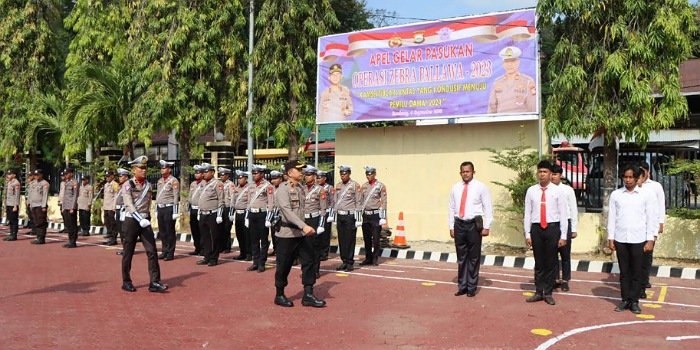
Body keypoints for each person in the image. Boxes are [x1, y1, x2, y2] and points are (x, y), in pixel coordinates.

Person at [273, 159, 326, 308]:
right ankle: (279, 294)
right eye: (299, 170)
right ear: (290, 173)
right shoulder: (282, 190)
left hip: (302, 234)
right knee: (284, 265)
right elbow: (287, 211)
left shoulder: (301, 188)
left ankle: (308, 294)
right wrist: (304, 227)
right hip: (287, 233)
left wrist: (305, 227)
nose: (302, 172)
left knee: (309, 262)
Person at [608, 163, 657, 314]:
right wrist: (611, 238)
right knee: (624, 272)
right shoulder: (616, 195)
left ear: (637, 179)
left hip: (639, 239)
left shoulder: (646, 195)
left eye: (631, 177)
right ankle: (625, 300)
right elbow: (612, 217)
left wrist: (650, 240)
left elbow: (651, 218)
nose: (628, 180)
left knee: (637, 271)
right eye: (625, 177)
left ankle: (634, 301)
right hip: (621, 238)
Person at [523, 160, 568, 305]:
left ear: (550, 174)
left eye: (545, 172)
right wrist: (527, 234)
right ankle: (538, 291)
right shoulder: (531, 191)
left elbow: (563, 214)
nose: (542, 174)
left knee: (551, 261)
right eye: (540, 172)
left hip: (552, 228)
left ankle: (548, 292)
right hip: (537, 228)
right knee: (539, 261)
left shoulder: (558, 191)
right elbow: (527, 214)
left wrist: (563, 235)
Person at [120, 156, 167, 293]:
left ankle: (155, 281)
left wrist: (147, 218)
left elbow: (148, 204)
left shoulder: (148, 185)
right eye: (141, 168)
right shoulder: (128, 185)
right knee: (128, 252)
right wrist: (139, 219)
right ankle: (126, 281)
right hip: (132, 221)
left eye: (145, 168)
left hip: (145, 221)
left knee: (152, 251)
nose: (144, 170)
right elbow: (128, 204)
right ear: (134, 169)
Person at [448, 161, 493, 297]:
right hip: (459, 224)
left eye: (468, 171)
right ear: (460, 173)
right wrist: (451, 226)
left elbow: (488, 208)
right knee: (461, 257)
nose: (465, 174)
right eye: (463, 171)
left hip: (474, 225)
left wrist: (487, 226)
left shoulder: (481, 187)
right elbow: (451, 208)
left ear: (473, 172)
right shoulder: (455, 187)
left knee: (473, 257)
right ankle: (462, 286)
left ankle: (472, 287)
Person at [638, 161, 665, 299]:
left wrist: (661, 222)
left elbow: (660, 205)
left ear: (648, 172)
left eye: (643, 172)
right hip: (637, 229)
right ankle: (638, 283)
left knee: (646, 257)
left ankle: (644, 280)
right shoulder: (633, 188)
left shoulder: (655, 186)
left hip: (651, 227)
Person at [551, 165, 578, 292]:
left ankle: (566, 280)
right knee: (552, 253)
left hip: (566, 223)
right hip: (553, 224)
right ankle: (555, 278)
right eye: (551, 174)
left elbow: (573, 209)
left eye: (555, 174)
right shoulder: (547, 190)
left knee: (565, 254)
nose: (552, 177)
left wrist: (574, 228)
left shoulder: (567, 190)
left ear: (560, 175)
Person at [487, 46, 536, 114]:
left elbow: (533, 107)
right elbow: (492, 107)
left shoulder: (528, 81)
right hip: (501, 122)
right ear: (503, 64)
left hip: (521, 122)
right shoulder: (497, 83)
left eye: (512, 61)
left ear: (518, 62)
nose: (509, 64)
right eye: (507, 61)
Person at [245, 164, 275, 272]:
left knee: (263, 240)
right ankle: (255, 262)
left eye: (256, 173)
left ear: (262, 174)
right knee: (254, 240)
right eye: (253, 173)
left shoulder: (268, 186)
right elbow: (248, 202)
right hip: (252, 214)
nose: (254, 175)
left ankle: (262, 263)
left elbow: (271, 203)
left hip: (262, 215)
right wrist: (247, 216)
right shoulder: (251, 185)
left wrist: (269, 218)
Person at [333, 165, 362, 272]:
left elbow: (359, 202)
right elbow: (335, 201)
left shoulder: (355, 185)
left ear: (349, 174)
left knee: (350, 239)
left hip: (350, 216)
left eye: (344, 174)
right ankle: (344, 261)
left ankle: (350, 262)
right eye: (341, 174)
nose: (342, 176)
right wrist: (335, 216)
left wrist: (359, 219)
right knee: (342, 240)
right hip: (340, 215)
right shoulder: (338, 185)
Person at [196, 163, 224, 266]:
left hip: (213, 213)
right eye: (203, 172)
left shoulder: (217, 184)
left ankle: (214, 258)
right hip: (203, 213)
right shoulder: (202, 183)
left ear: (212, 172)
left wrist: (219, 215)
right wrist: (199, 212)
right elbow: (200, 199)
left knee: (214, 237)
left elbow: (221, 200)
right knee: (205, 236)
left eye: (206, 172)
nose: (204, 174)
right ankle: (206, 256)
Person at [301, 166, 327, 278]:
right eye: (305, 175)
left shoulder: (320, 190)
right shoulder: (302, 189)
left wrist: (321, 224)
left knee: (315, 247)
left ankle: (315, 270)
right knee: (304, 247)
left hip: (315, 219)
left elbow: (323, 209)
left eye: (309, 175)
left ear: (314, 176)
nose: (307, 177)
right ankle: (306, 270)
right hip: (304, 220)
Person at [359, 166, 388, 266]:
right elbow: (360, 201)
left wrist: (383, 217)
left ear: (375, 174)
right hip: (366, 215)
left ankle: (375, 258)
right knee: (366, 238)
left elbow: (384, 202)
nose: (368, 176)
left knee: (375, 239)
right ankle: (368, 258)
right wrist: (358, 217)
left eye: (370, 174)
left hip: (375, 215)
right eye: (367, 174)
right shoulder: (363, 186)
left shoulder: (380, 186)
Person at [156, 160, 180, 261]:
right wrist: (157, 208)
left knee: (170, 231)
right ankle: (164, 251)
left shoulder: (173, 181)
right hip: (161, 208)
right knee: (162, 232)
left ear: (169, 169)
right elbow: (158, 195)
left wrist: (175, 211)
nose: (162, 170)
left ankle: (170, 253)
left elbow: (175, 196)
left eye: (164, 168)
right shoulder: (160, 180)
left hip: (169, 208)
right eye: (161, 168)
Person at [231, 170, 251, 260]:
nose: (239, 180)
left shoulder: (249, 188)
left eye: (241, 178)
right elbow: (233, 200)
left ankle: (249, 254)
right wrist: (231, 213)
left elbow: (250, 202)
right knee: (239, 234)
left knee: (247, 235)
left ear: (245, 178)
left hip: (245, 214)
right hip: (238, 214)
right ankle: (242, 253)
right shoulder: (236, 188)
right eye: (238, 178)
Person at [28, 170, 50, 244]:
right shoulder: (33, 183)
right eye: (35, 175)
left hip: (40, 205)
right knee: (36, 222)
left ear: (41, 175)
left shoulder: (45, 183)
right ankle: (38, 236)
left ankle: (41, 238)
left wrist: (43, 206)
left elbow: (45, 195)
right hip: (33, 205)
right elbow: (30, 194)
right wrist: (30, 204)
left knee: (41, 222)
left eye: (37, 174)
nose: (36, 176)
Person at [317, 171, 334, 261]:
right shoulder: (316, 188)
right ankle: (318, 252)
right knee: (317, 234)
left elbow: (332, 201)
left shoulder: (329, 188)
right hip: (317, 212)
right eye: (317, 178)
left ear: (325, 178)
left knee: (325, 234)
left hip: (326, 212)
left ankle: (324, 253)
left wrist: (331, 215)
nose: (318, 179)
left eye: (320, 178)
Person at [113, 168, 130, 255]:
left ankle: (127, 249)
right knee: (121, 231)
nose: (119, 178)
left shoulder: (127, 186)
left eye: (121, 176)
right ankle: (124, 248)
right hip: (118, 209)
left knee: (124, 231)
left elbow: (127, 198)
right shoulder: (121, 186)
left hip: (124, 210)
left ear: (126, 177)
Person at [188, 165, 204, 255]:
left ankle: (203, 248)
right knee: (194, 230)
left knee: (201, 230)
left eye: (198, 173)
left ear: (202, 174)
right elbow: (190, 196)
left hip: (200, 209)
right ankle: (197, 248)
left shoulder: (204, 184)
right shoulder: (193, 184)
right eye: (196, 173)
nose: (196, 175)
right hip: (193, 209)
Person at [100, 170, 120, 246]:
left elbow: (116, 196)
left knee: (113, 224)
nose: (107, 178)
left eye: (108, 176)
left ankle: (113, 239)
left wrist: (114, 207)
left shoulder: (115, 184)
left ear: (112, 176)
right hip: (106, 206)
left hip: (112, 207)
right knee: (107, 222)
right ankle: (110, 237)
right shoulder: (106, 185)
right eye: (106, 177)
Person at [61, 168, 80, 248]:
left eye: (67, 174)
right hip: (66, 206)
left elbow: (75, 196)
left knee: (72, 225)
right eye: (65, 174)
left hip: (71, 207)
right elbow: (65, 196)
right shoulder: (66, 183)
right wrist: (63, 206)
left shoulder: (74, 183)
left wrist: (73, 207)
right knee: (68, 225)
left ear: (71, 174)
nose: (66, 175)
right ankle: (70, 240)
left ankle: (73, 242)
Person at [268, 170, 284, 256]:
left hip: (282, 214)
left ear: (280, 179)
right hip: (273, 214)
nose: (273, 181)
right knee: (273, 233)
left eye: (275, 178)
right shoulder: (271, 188)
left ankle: (281, 250)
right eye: (272, 179)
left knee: (281, 234)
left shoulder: (284, 187)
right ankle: (275, 249)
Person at [218, 167, 234, 254]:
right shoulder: (219, 184)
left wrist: (231, 211)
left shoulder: (230, 184)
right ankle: (221, 246)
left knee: (226, 228)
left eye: (223, 175)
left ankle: (227, 247)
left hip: (227, 208)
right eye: (220, 175)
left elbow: (232, 198)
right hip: (221, 207)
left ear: (227, 175)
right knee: (220, 228)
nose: (221, 176)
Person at [2, 169, 21, 241]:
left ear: (14, 175)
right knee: (10, 219)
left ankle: (14, 235)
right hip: (9, 203)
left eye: (10, 174)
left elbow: (17, 195)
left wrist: (15, 205)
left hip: (13, 204)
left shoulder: (16, 183)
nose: (8, 175)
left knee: (14, 220)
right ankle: (11, 234)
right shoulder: (9, 182)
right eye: (8, 174)